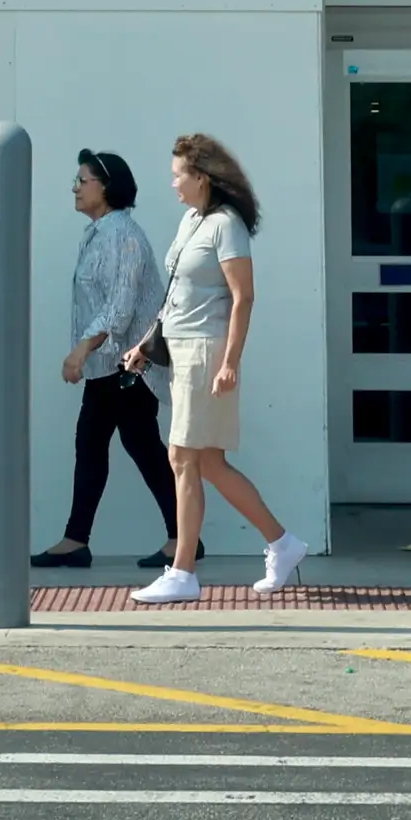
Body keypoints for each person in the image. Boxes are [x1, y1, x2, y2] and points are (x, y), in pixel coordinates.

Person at [124, 130, 307, 604]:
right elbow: (174, 298)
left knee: (183, 457)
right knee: (207, 461)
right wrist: (147, 343)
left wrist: (230, 362)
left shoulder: (227, 225)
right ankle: (283, 543)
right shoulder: (192, 221)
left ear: (201, 176)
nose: (173, 184)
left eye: (178, 175)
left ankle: (182, 571)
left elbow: (243, 297)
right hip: (181, 349)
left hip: (206, 352)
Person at [33, 148, 175, 571]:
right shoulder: (99, 232)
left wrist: (80, 350)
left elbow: (121, 307)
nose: (75, 188)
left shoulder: (122, 234)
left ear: (107, 187)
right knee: (101, 446)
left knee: (139, 447)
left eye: (83, 181)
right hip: (109, 368)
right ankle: (77, 539)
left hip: (128, 367)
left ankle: (181, 536)